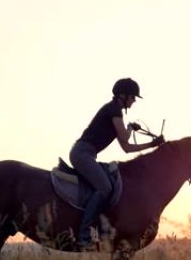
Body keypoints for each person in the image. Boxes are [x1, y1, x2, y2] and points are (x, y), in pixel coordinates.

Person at [70, 78, 164, 251]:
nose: (134, 100)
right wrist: (152, 144)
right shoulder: (114, 110)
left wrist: (131, 130)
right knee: (105, 188)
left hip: (86, 154)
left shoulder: (114, 110)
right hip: (82, 154)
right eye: (133, 97)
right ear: (124, 96)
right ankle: (84, 235)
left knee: (106, 185)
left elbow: (125, 144)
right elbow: (126, 144)